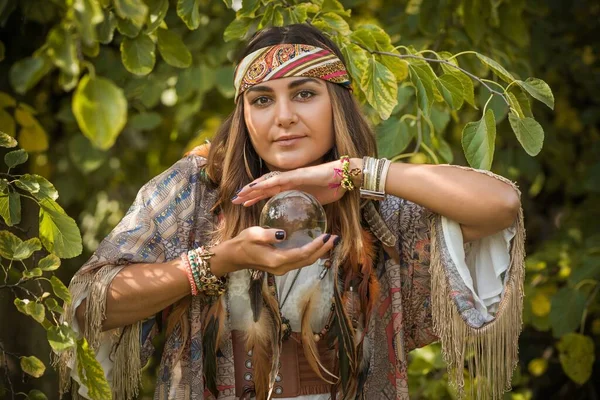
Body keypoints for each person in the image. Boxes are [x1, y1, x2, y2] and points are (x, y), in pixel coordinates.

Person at [57, 24, 525, 400]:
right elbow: (90, 305)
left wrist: (355, 174)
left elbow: (500, 206)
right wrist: (220, 261)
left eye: (304, 93)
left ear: (336, 103)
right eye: (262, 100)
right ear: (244, 115)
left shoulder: (378, 211)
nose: (282, 117)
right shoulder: (197, 191)